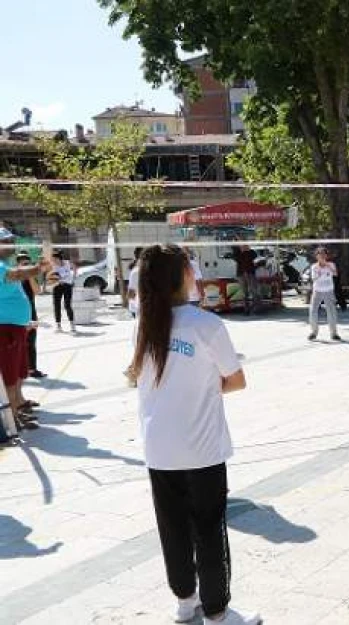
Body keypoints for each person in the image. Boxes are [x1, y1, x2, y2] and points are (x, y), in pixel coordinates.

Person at [125, 245, 259, 625]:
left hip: (159, 448)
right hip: (201, 449)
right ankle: (217, 611)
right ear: (183, 274)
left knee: (173, 529)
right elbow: (236, 381)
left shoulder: (141, 325)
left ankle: (185, 602)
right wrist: (201, 385)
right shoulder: (207, 325)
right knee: (208, 530)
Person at [1, 231, 51, 432]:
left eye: (11, 241)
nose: (11, 244)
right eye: (6, 241)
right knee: (10, 376)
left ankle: (17, 411)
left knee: (19, 373)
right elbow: (17, 275)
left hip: (14, 327)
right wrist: (39, 268)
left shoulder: (5, 264)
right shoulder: (2, 267)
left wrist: (24, 321)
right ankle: (12, 420)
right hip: (6, 331)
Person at [16, 254, 46, 380]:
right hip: (16, 314)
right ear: (18, 265)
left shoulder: (31, 277)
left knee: (31, 342)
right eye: (23, 264)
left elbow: (37, 291)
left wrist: (30, 276)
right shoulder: (13, 277)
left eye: (28, 264)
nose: (26, 266)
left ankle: (32, 369)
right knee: (16, 343)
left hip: (31, 312)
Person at [307, 247, 340, 342]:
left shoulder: (331, 264)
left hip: (328, 290)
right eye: (319, 254)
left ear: (326, 255)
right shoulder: (314, 266)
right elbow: (314, 278)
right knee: (313, 311)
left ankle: (334, 333)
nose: (321, 256)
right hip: (317, 291)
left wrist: (326, 265)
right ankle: (314, 332)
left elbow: (335, 274)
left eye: (323, 254)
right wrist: (320, 269)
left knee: (331, 312)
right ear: (316, 256)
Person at [50, 251, 76, 333]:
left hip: (67, 285)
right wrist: (55, 280)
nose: (53, 261)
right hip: (57, 286)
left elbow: (74, 267)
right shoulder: (53, 267)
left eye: (54, 259)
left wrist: (73, 278)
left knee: (67, 305)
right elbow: (50, 277)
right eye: (53, 260)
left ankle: (72, 324)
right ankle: (58, 325)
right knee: (56, 305)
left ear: (59, 258)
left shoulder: (67, 263)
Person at [234, 244, 259, 315]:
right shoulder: (237, 253)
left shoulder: (251, 252)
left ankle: (255, 308)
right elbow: (237, 259)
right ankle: (246, 309)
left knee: (254, 291)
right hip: (241, 274)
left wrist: (247, 250)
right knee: (244, 293)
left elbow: (254, 256)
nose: (243, 246)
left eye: (245, 245)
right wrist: (242, 251)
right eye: (242, 245)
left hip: (250, 273)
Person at [127, 247, 144, 319]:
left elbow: (131, 293)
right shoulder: (136, 270)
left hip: (136, 305)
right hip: (139, 305)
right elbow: (131, 293)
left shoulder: (134, 269)